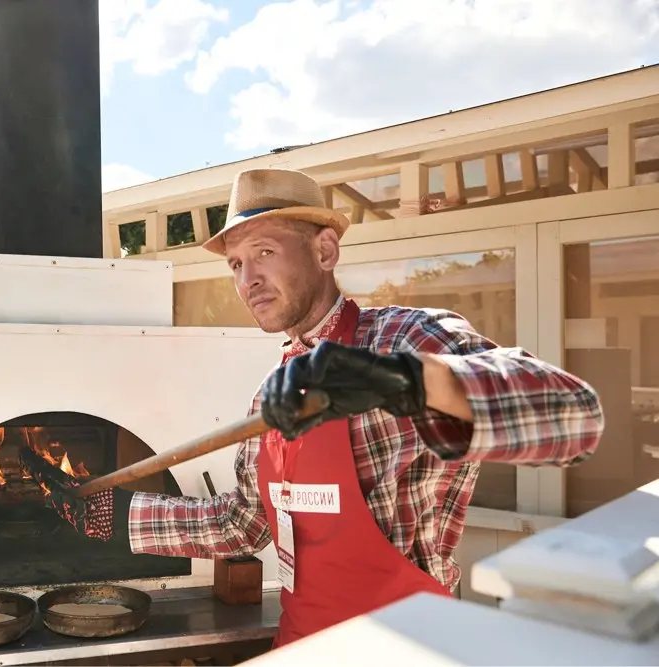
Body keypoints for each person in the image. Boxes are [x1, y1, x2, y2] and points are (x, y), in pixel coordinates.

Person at [32, 167, 604, 648]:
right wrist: (116, 515)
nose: (247, 279)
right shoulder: (271, 395)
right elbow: (242, 524)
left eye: (263, 252)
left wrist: (399, 380)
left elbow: (574, 418)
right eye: (235, 264)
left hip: (408, 649)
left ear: (325, 249)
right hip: (301, 646)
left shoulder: (408, 341)